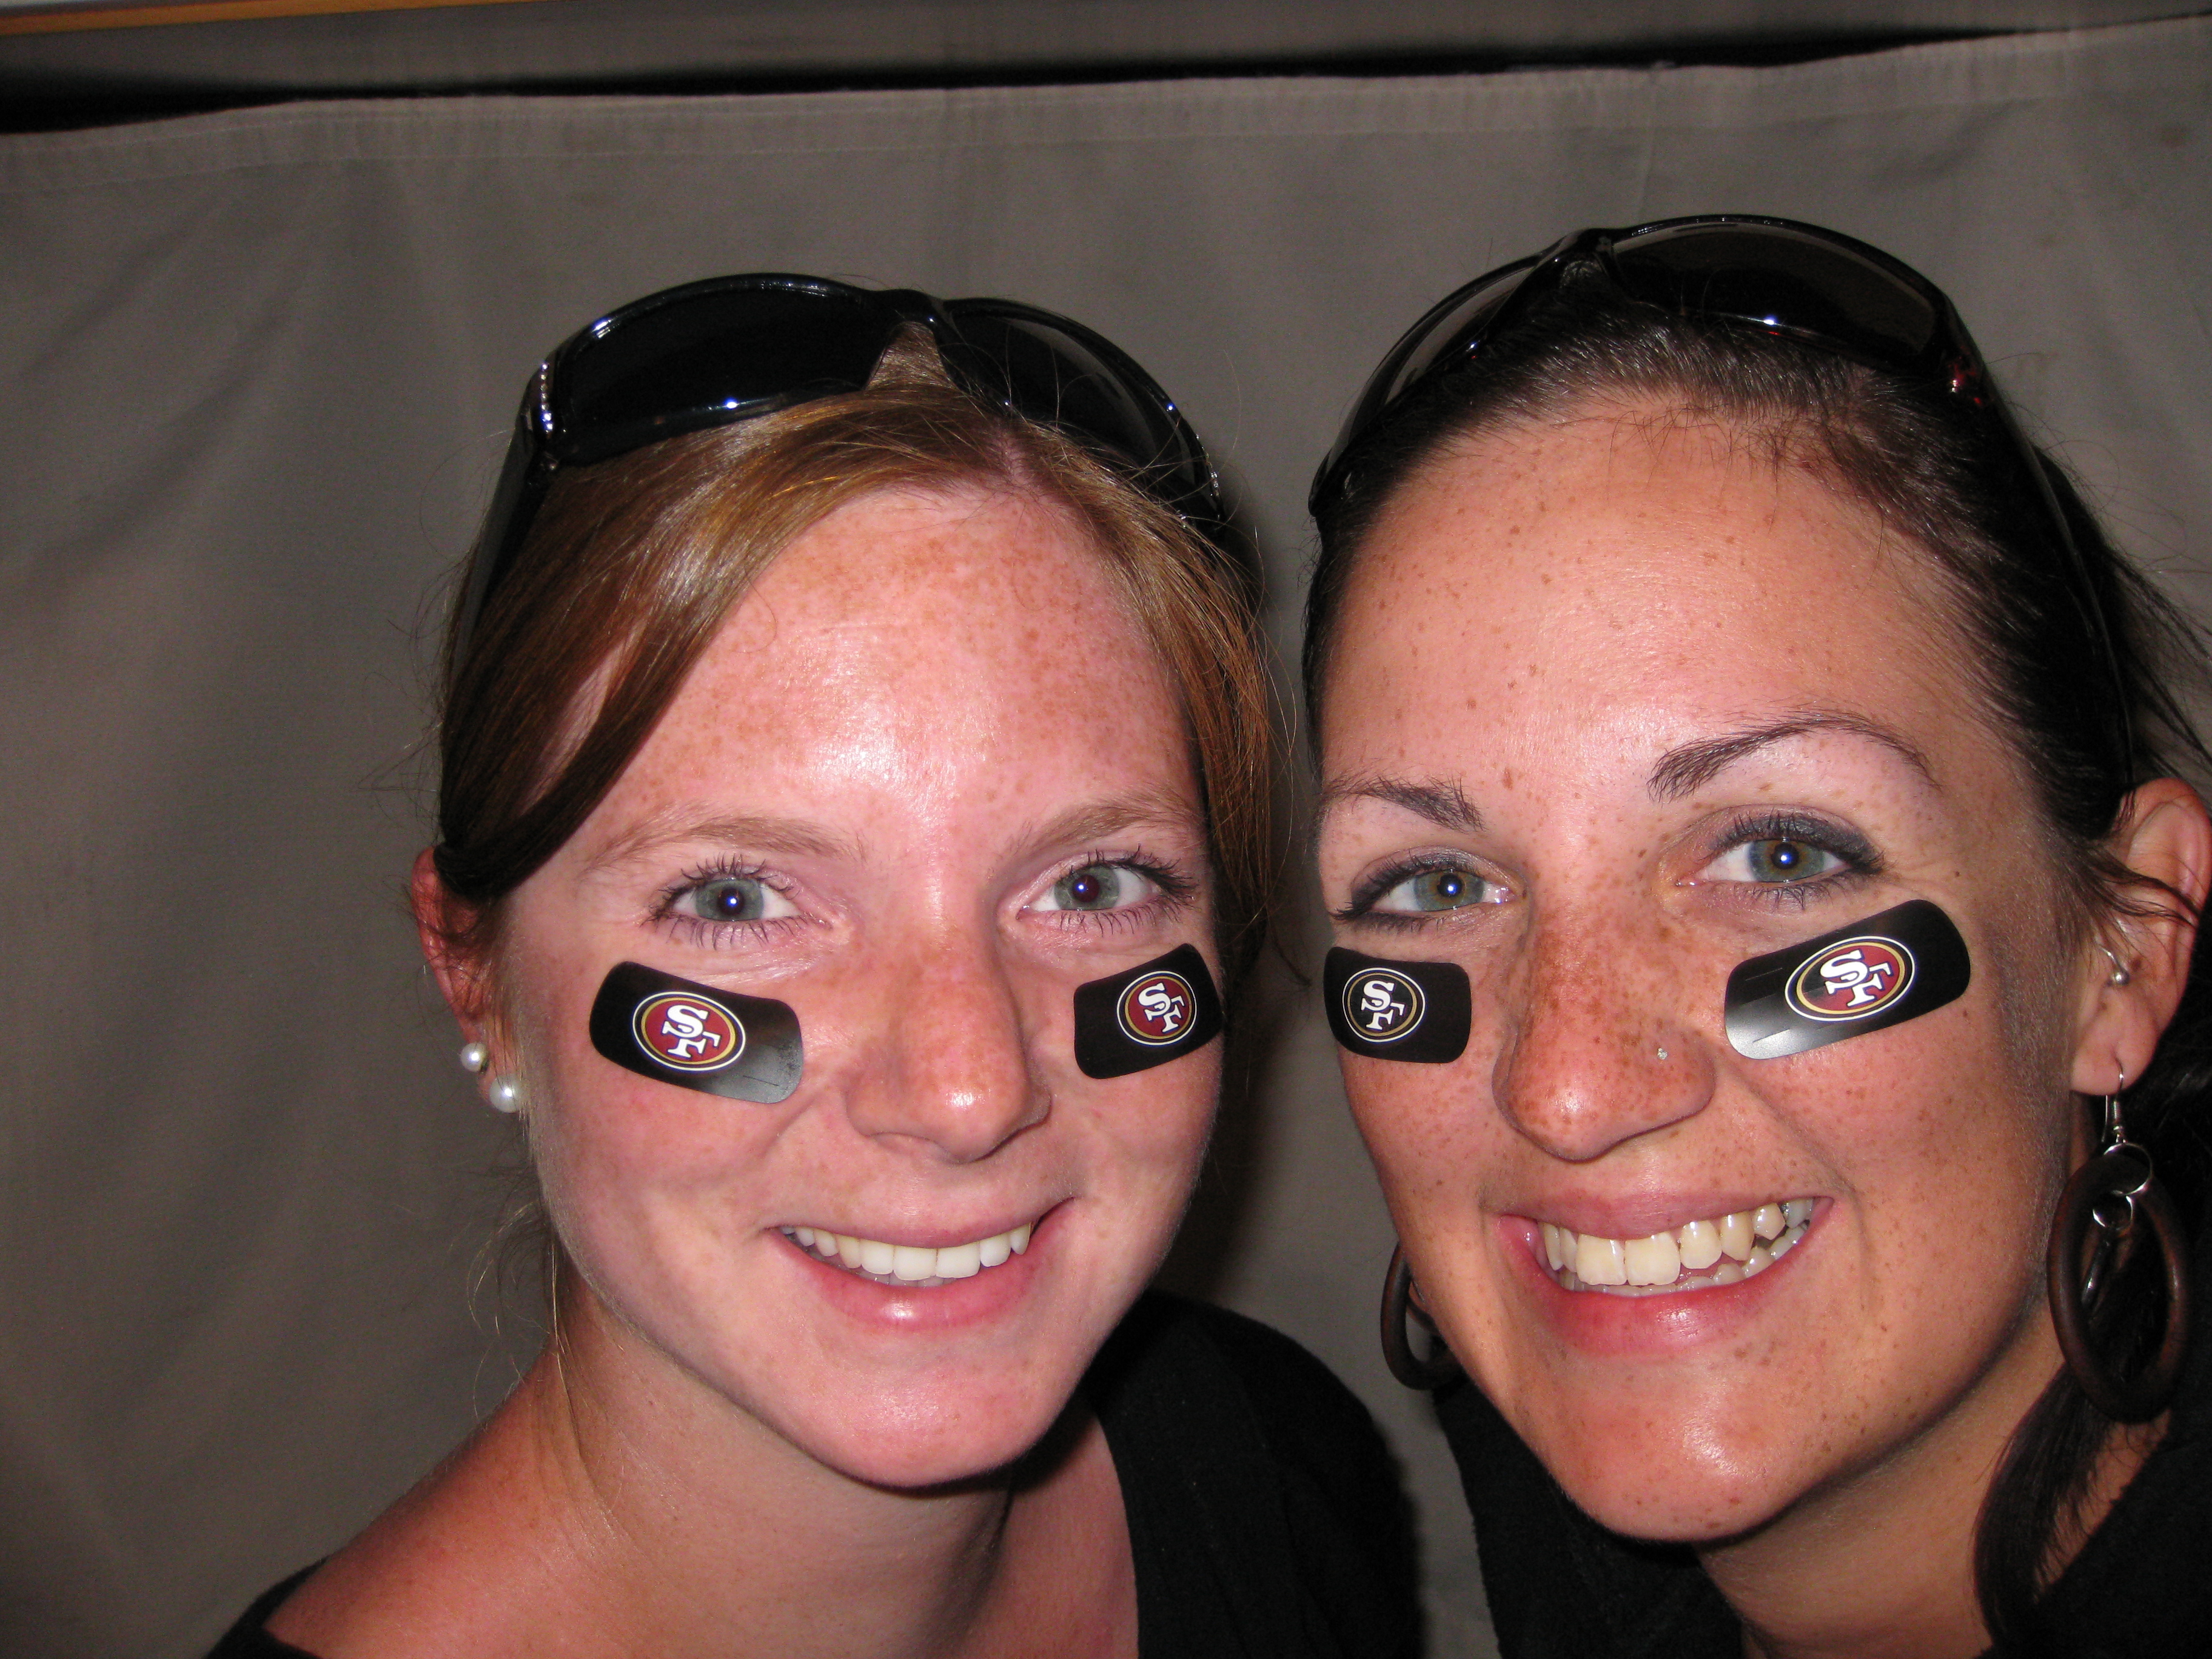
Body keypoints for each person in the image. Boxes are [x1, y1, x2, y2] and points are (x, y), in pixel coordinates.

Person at [209, 275, 1416, 1658]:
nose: (967, 1094)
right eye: (735, 899)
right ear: (473, 976)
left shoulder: (1267, 1461)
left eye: (1092, 885)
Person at [1302, 218, 2212, 1658]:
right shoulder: (1531, 1527)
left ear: (2127, 947)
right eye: (1438, 885)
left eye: (1781, 854)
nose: (1569, 1090)